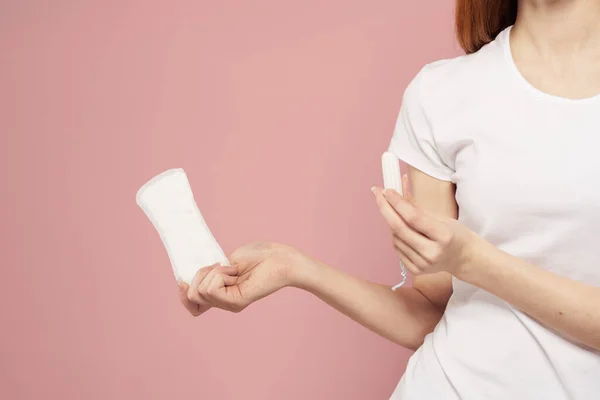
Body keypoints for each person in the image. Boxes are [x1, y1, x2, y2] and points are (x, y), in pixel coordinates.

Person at [178, 0, 600, 398]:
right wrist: (296, 268)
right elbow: (428, 312)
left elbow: (468, 262)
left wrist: (472, 260)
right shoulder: (441, 93)